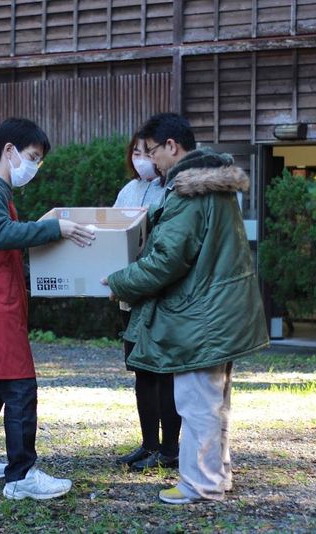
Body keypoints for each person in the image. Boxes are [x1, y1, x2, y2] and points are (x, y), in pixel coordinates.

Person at [104, 113, 269, 504]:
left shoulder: (189, 192)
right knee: (214, 403)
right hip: (220, 310)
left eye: (153, 151)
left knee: (196, 404)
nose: (151, 161)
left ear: (172, 147)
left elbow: (166, 260)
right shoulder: (214, 185)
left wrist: (119, 281)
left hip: (201, 315)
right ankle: (216, 475)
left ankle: (201, 484)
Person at [0, 117, 95, 500]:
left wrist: (42, 224)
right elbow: (3, 234)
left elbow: (3, 235)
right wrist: (53, 229)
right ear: (9, 150)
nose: (34, 166)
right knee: (19, 384)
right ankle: (21, 475)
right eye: (32, 156)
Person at [113, 135, 181, 471]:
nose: (143, 159)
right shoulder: (128, 190)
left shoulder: (170, 191)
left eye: (147, 152)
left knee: (163, 372)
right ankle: (148, 444)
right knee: (140, 370)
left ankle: (170, 447)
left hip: (157, 291)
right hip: (131, 292)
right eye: (136, 153)